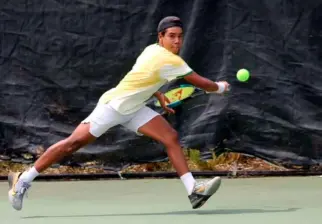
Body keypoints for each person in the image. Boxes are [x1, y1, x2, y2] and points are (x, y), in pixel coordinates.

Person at [7, 16, 230, 211]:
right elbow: (203, 84)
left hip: (134, 108)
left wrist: (159, 96)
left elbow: (144, 77)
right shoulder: (169, 59)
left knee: (170, 137)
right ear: (160, 36)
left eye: (180, 36)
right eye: (171, 36)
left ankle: (193, 190)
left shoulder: (152, 50)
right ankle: (23, 180)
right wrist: (219, 87)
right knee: (72, 144)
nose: (177, 41)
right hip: (114, 106)